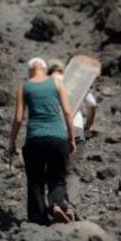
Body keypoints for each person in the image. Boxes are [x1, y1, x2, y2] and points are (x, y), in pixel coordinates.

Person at [9, 57, 76, 225]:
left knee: (35, 181)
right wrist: (72, 138)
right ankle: (57, 203)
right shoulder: (57, 83)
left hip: (35, 139)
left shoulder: (24, 86)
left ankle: (38, 220)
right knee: (58, 177)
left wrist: (12, 142)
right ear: (44, 69)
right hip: (58, 137)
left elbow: (18, 118)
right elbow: (68, 112)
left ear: (31, 70)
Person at [48, 59, 98, 142]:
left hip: (52, 130)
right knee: (77, 153)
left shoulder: (42, 84)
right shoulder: (78, 82)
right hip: (76, 128)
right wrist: (89, 125)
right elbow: (92, 104)